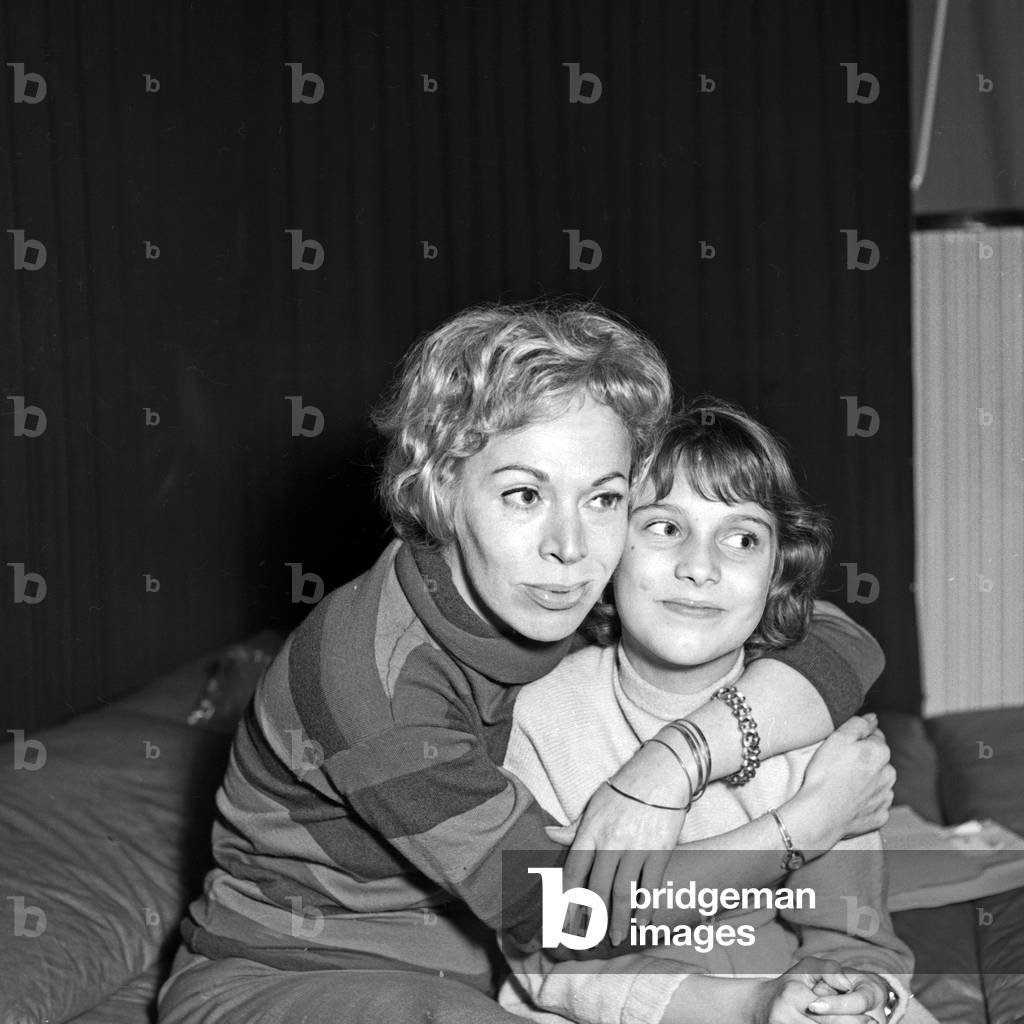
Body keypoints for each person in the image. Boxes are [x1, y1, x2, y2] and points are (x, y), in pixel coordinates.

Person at [157, 304, 894, 1024]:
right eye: (523, 494)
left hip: (474, 975)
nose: (570, 547)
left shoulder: (544, 583)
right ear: (440, 488)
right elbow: (566, 915)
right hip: (288, 982)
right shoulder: (373, 681)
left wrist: (673, 763)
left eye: (603, 498)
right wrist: (807, 824)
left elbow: (836, 636)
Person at [498, 398, 936, 1024]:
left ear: (777, 572)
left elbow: (851, 942)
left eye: (741, 538)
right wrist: (799, 829)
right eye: (665, 527)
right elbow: (558, 944)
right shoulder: (536, 718)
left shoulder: (814, 731)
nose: (699, 567)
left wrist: (847, 992)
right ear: (608, 545)